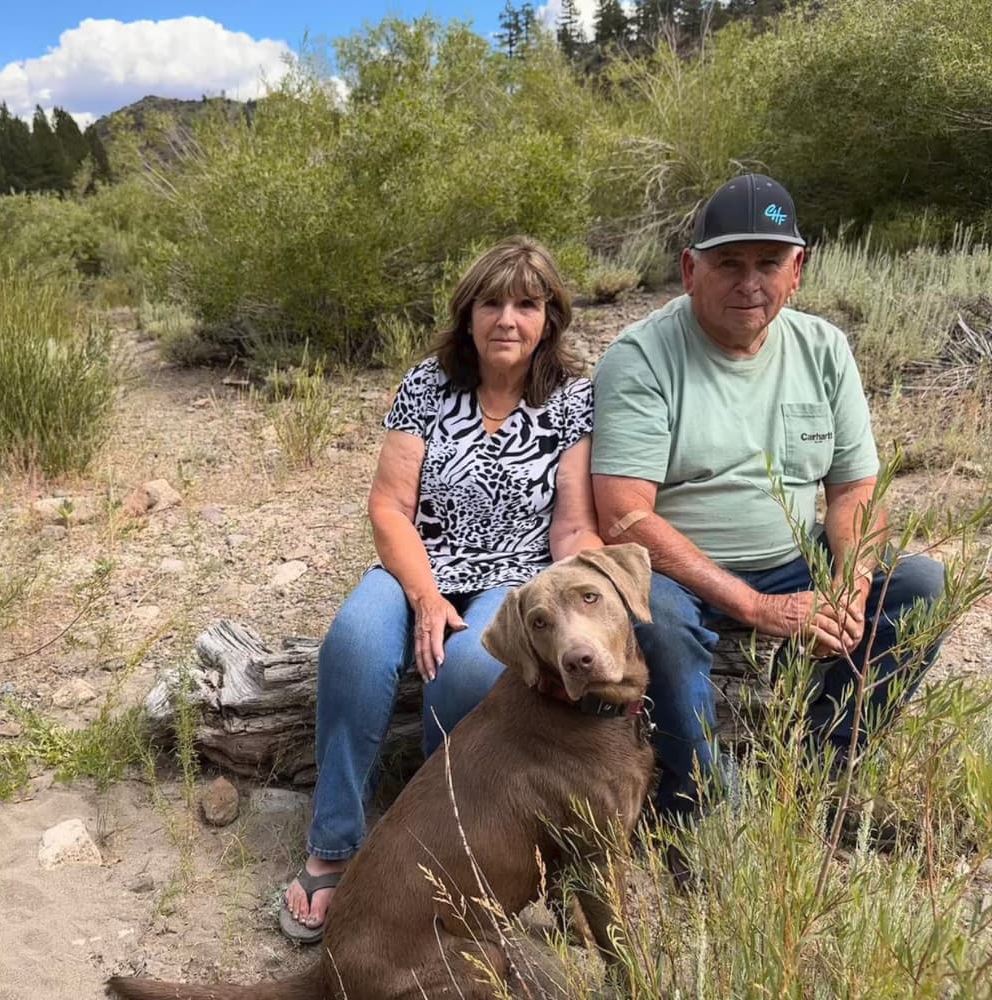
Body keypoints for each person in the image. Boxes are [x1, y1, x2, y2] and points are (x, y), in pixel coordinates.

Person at [591, 174, 945, 825]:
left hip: (790, 555)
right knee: (659, 622)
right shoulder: (640, 357)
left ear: (798, 269)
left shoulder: (824, 348)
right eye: (728, 263)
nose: (749, 282)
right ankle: (694, 798)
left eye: (768, 263)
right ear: (690, 269)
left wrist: (850, 588)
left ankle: (822, 766)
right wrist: (757, 606)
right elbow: (624, 517)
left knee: (920, 584)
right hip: (678, 569)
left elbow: (853, 488)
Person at [282, 236, 603, 942]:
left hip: (514, 577)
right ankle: (333, 844)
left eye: (527, 303)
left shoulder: (574, 399)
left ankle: (431, 842)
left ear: (550, 315)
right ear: (468, 313)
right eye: (492, 302)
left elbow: (573, 527)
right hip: (418, 562)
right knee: (356, 644)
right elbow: (389, 507)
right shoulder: (428, 384)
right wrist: (427, 598)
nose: (508, 319)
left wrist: (590, 594)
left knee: (470, 670)